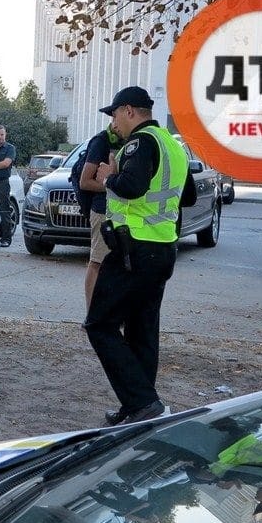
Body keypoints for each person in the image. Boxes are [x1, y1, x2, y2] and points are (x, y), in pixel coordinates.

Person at [84, 86, 190, 426]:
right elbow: (185, 195)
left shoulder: (140, 143)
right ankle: (138, 408)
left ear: (130, 110)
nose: (113, 123)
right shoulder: (172, 144)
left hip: (134, 249)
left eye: (114, 114)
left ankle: (144, 403)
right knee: (142, 330)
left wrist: (109, 175)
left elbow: (131, 187)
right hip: (162, 248)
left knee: (99, 324)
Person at [78, 124, 124, 308]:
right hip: (102, 211)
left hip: (123, 212)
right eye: (115, 116)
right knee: (97, 262)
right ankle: (91, 315)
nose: (117, 121)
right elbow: (85, 182)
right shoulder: (102, 141)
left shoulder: (131, 140)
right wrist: (114, 184)